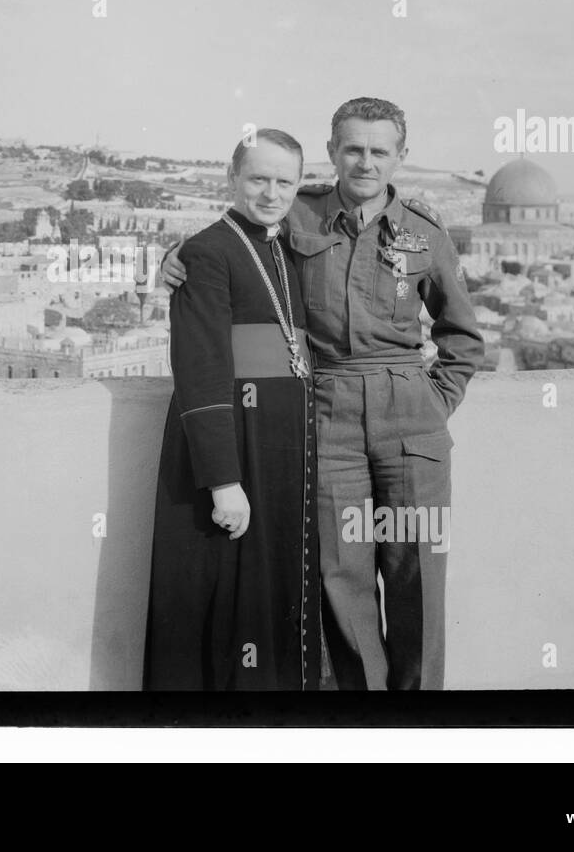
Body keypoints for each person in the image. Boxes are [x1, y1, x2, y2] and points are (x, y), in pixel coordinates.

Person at [162, 98, 482, 690]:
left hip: (410, 418)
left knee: (417, 574)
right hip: (327, 414)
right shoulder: (299, 215)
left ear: (400, 157)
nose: (365, 162)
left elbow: (462, 336)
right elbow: (236, 239)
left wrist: (431, 402)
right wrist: (174, 254)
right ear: (333, 152)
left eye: (379, 151)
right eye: (352, 148)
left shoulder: (426, 232)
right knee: (340, 576)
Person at [143, 128, 330, 691]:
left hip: (281, 457)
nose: (271, 193)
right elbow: (200, 372)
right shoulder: (205, 251)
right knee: (224, 615)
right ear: (232, 179)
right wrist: (224, 481)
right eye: (257, 179)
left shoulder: (286, 242)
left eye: (284, 181)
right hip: (232, 454)